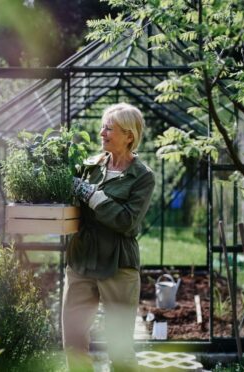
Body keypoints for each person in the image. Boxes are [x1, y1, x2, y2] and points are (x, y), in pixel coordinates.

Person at [63, 103, 155, 371]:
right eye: (102, 126)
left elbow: (126, 221)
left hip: (118, 265)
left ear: (129, 136)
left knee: (120, 346)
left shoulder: (142, 176)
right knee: (73, 340)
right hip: (81, 261)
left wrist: (93, 195)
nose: (102, 133)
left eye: (109, 128)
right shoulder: (90, 166)